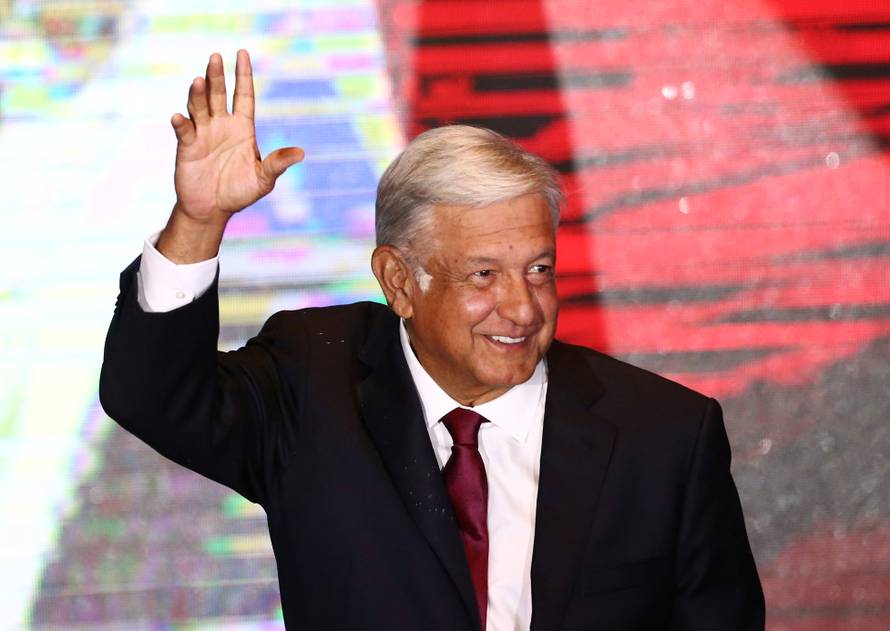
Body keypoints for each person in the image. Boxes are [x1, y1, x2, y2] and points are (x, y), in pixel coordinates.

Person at [100, 50, 765, 630]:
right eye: (484, 274)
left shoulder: (666, 436)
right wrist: (199, 219)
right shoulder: (315, 382)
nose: (522, 306)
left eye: (539, 269)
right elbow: (152, 394)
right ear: (399, 280)